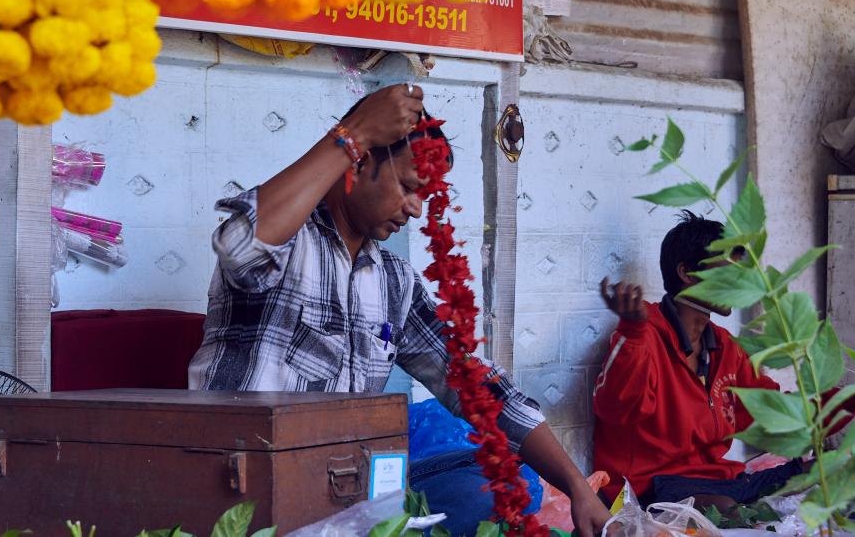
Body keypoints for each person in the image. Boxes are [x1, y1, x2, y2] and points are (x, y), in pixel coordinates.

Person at [189, 83, 611, 537]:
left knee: (502, 484)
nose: (414, 209)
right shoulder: (287, 245)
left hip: (346, 487)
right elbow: (238, 244)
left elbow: (477, 384)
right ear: (359, 161)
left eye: (426, 197)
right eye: (410, 187)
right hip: (251, 482)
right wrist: (353, 134)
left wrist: (574, 485)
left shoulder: (395, 282)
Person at [593, 211, 806, 510]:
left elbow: (772, 412)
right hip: (645, 491)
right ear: (687, 274)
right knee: (724, 507)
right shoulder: (642, 336)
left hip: (716, 482)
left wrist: (837, 406)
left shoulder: (725, 348)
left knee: (817, 477)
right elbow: (614, 407)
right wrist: (633, 333)